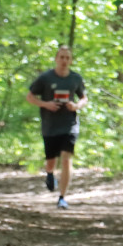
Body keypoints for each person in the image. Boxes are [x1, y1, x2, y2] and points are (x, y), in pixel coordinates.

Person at [26, 45, 88, 209]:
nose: (64, 61)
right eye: (61, 57)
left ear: (71, 60)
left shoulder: (75, 78)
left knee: (66, 159)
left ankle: (62, 197)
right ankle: (49, 173)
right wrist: (45, 104)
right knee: (51, 161)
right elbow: (30, 96)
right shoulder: (46, 78)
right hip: (50, 125)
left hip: (70, 125)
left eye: (67, 58)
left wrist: (76, 106)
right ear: (56, 59)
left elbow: (84, 98)